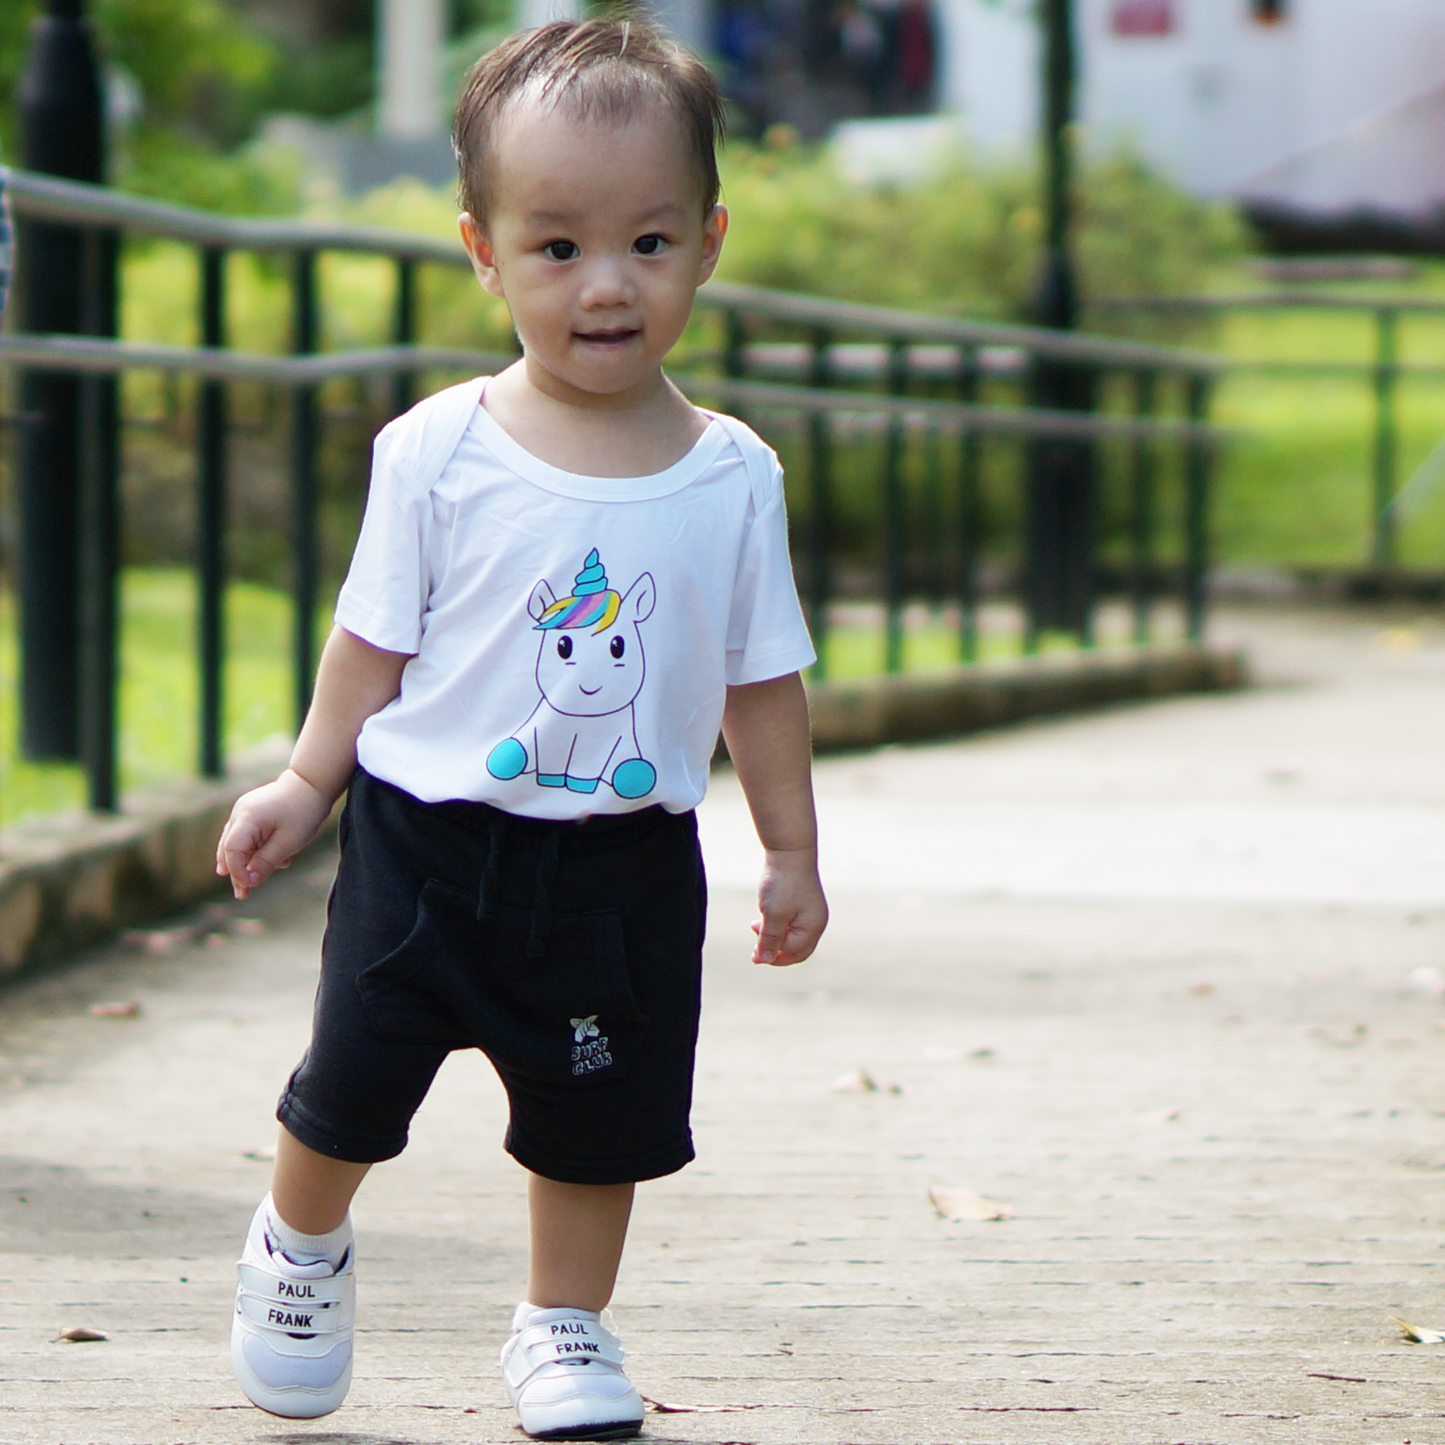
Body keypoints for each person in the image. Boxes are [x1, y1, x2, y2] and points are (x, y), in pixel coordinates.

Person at [214, 17, 828, 1442]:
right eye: (556, 247)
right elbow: (372, 640)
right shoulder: (437, 451)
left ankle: (563, 1324)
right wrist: (306, 783)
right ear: (484, 253)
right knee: (351, 1083)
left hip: (621, 868)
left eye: (648, 243)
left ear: (709, 243)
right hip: (425, 851)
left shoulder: (733, 476)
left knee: (597, 1120)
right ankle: (299, 1245)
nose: (606, 284)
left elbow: (764, 680)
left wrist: (790, 851)